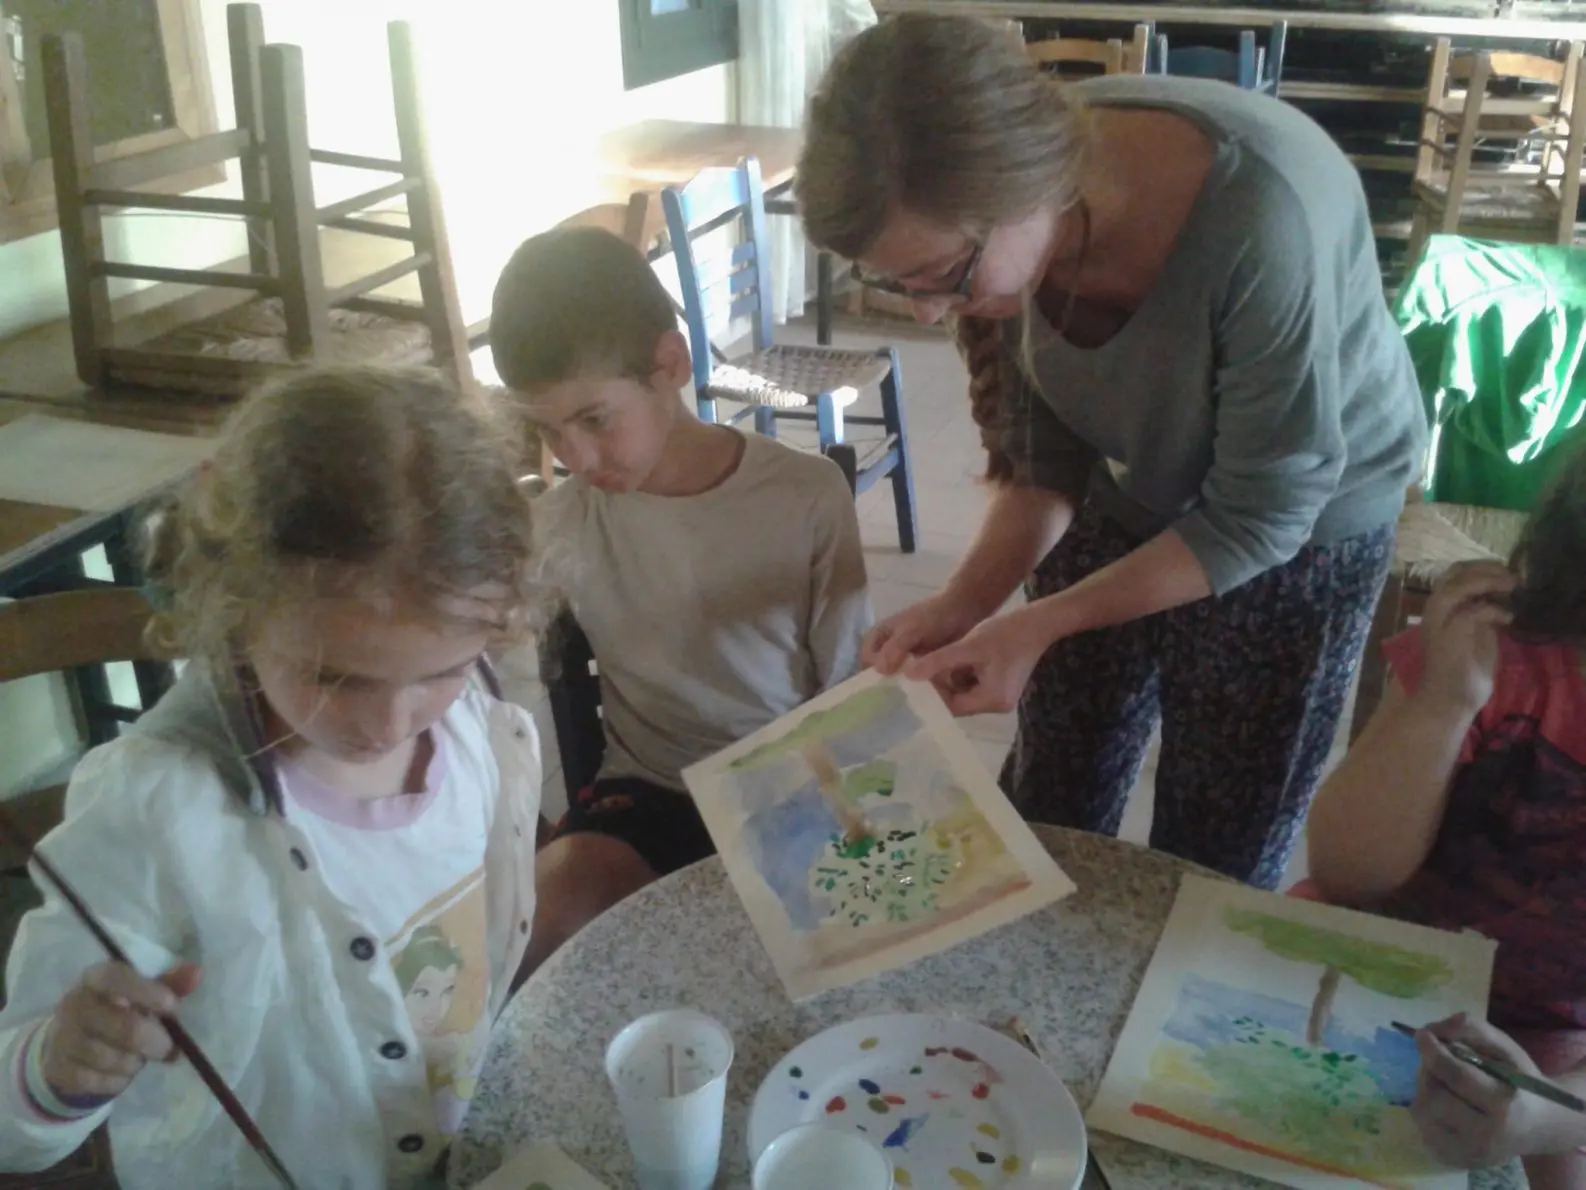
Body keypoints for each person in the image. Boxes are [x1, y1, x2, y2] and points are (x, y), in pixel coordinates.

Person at [794, 13, 1427, 887]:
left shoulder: (1260, 216)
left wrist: (1039, 622)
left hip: (1304, 519)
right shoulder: (1001, 214)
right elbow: (1044, 466)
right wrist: (966, 604)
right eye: (899, 281)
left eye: (942, 276)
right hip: (1134, 477)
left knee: (1219, 835)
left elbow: (1259, 517)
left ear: (1026, 196)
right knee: (1055, 785)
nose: (928, 312)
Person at [0, 367, 546, 1189]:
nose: (390, 724)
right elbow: (14, 1128)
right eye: (335, 678)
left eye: (442, 671)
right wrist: (60, 1067)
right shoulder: (159, 809)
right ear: (237, 602)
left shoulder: (477, 725)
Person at [489, 226, 872, 969]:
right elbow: (471, 654)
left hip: (797, 785)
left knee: (876, 937)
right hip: (649, 793)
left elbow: (848, 685)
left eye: (594, 419)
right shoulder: (557, 524)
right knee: (538, 933)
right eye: (548, 431)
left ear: (669, 364)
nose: (575, 458)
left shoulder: (805, 495)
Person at [1306, 453, 1586, 1189]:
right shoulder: (1500, 650)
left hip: (1559, 1045)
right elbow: (1347, 870)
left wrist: (1549, 1117)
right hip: (1371, 956)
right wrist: (1444, 702)